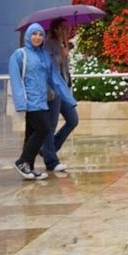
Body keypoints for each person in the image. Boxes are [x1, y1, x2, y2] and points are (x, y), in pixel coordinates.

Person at [9, 23, 56, 180]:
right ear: (28, 36)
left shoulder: (43, 55)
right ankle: (22, 161)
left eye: (41, 34)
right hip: (30, 101)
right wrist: (21, 102)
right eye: (34, 34)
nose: (38, 37)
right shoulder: (19, 54)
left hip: (42, 100)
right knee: (44, 129)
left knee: (31, 134)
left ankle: (29, 166)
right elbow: (15, 79)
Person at [41, 19, 79, 174]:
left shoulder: (64, 44)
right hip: (53, 89)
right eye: (64, 28)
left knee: (73, 120)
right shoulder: (48, 44)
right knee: (51, 124)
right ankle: (51, 160)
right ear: (56, 29)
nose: (68, 30)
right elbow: (48, 65)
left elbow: (65, 69)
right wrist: (61, 56)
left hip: (63, 89)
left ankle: (49, 149)